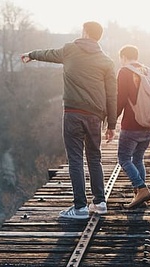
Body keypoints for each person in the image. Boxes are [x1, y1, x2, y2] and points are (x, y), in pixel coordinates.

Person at [21, 21, 117, 220]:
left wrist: (31, 54)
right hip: (95, 116)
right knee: (94, 158)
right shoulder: (106, 61)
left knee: (75, 159)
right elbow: (112, 95)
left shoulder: (70, 50)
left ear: (84, 32)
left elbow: (48, 54)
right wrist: (112, 124)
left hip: (73, 113)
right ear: (98, 37)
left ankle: (80, 207)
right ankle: (99, 202)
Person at [116, 44, 150, 208]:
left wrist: (112, 120)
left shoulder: (125, 72)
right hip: (147, 124)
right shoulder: (146, 71)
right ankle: (139, 196)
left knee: (124, 158)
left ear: (123, 57)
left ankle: (141, 188)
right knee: (138, 159)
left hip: (131, 125)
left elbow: (121, 99)